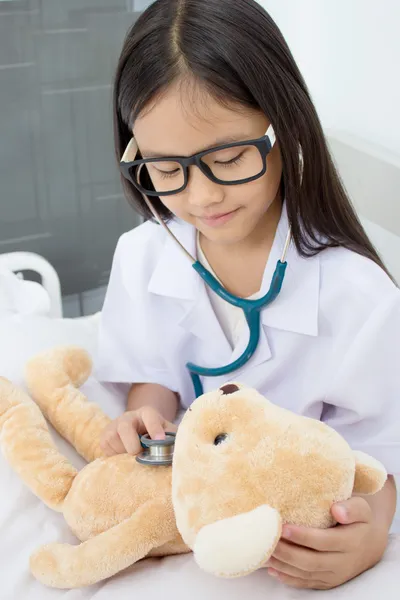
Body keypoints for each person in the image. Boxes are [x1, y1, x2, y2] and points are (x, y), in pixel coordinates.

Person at [95, 0, 399, 590]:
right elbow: (153, 376)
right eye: (164, 169)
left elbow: (383, 454)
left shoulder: (359, 296)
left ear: (284, 127)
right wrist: (146, 416)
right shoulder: (143, 257)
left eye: (229, 158)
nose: (202, 197)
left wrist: (370, 535)